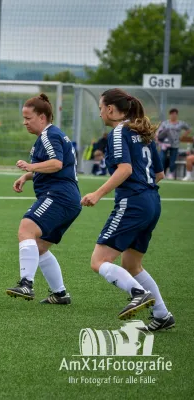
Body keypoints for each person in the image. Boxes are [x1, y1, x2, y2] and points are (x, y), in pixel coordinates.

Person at [81, 88, 174, 330]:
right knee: (132, 265)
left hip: (133, 203)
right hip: (152, 202)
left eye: (101, 108)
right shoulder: (141, 131)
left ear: (110, 109)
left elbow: (125, 170)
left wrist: (97, 194)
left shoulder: (119, 132)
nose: (100, 113)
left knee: (98, 260)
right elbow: (160, 174)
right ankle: (162, 315)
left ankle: (138, 292)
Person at [7, 94, 81, 304]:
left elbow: (56, 163)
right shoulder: (48, 136)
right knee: (38, 247)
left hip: (59, 196)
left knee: (26, 229)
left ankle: (26, 284)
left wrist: (31, 167)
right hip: (67, 198)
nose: (24, 122)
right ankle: (60, 294)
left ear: (42, 117)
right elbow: (56, 166)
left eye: (28, 118)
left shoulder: (49, 135)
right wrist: (28, 176)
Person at [156, 108, 191, 179]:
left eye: (175, 114)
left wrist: (183, 136)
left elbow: (188, 129)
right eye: (172, 114)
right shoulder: (165, 123)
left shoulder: (180, 123)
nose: (173, 115)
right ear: (170, 115)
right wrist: (158, 139)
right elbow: (158, 132)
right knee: (162, 158)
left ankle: (171, 174)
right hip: (164, 145)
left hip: (175, 144)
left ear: (177, 115)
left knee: (172, 160)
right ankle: (162, 173)